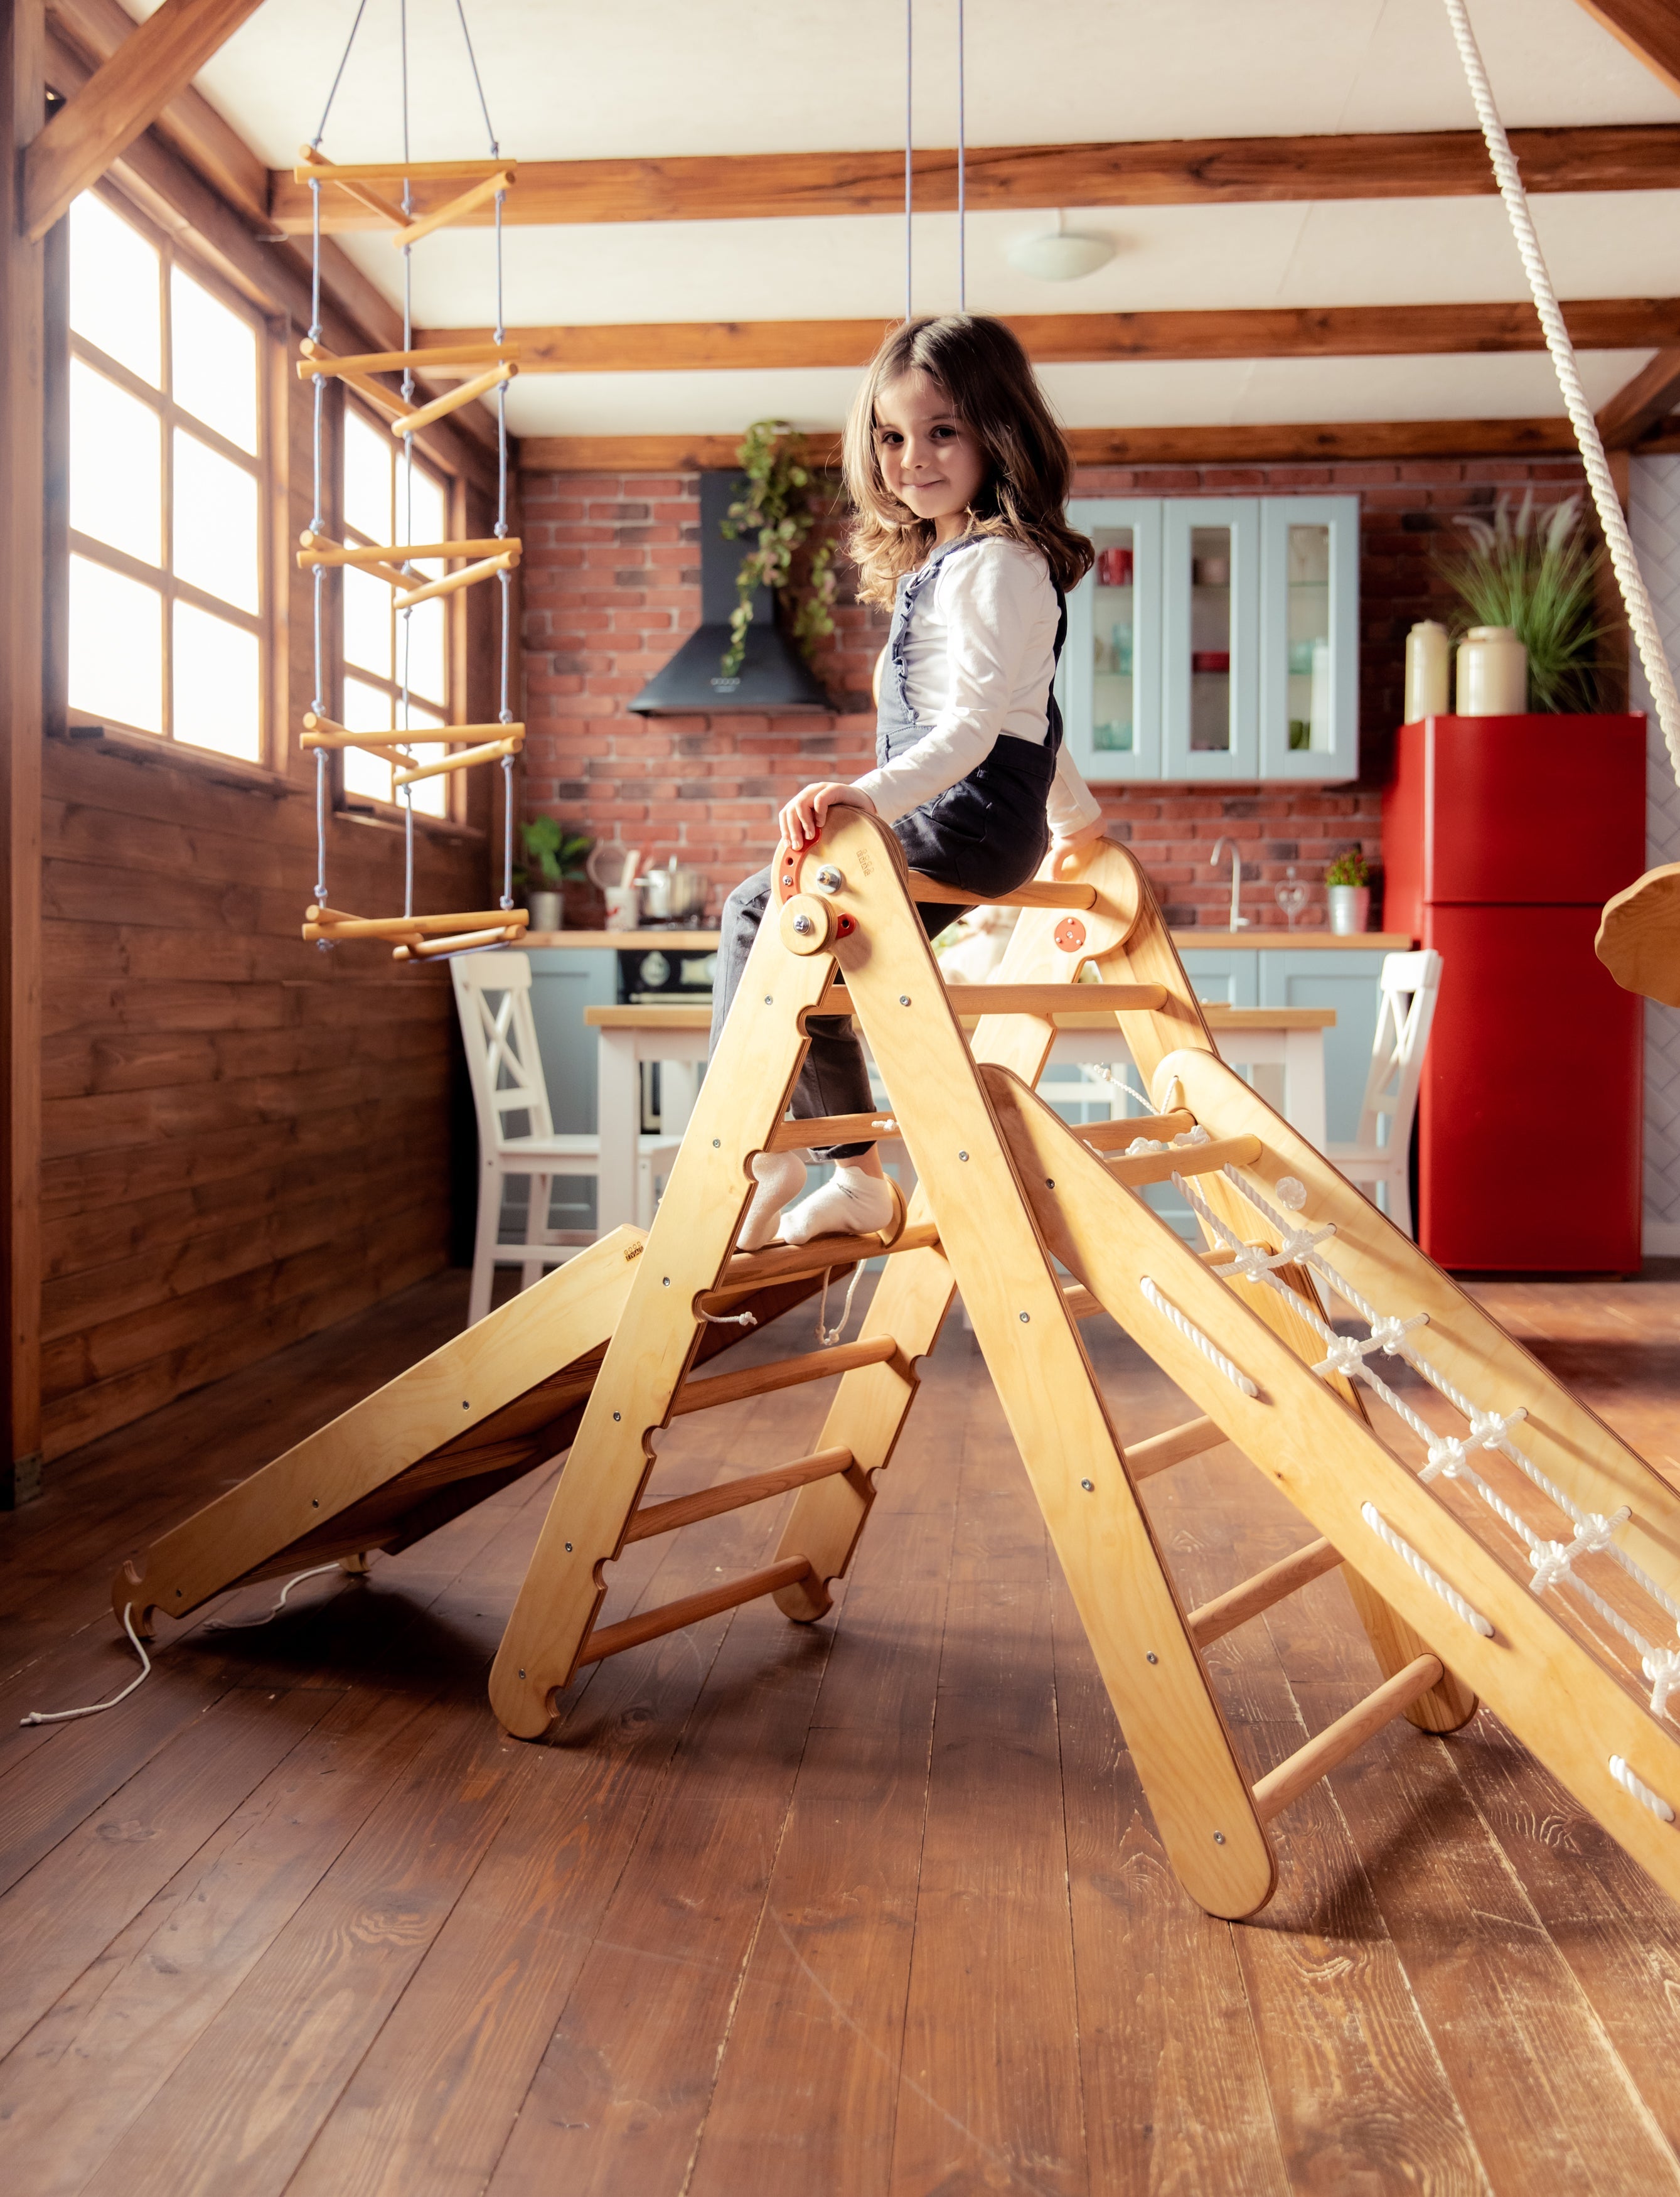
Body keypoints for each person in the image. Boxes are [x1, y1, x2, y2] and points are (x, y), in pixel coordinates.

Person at [710, 313, 1109, 1250]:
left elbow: (975, 730)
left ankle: (772, 1144)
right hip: (983, 814)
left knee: (756, 913)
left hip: (963, 814)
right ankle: (845, 1173)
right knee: (829, 953)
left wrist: (865, 795)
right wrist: (1074, 821)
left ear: (995, 434)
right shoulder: (959, 563)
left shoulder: (997, 564)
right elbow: (1032, 713)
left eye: (941, 432)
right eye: (891, 437)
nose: (911, 459)